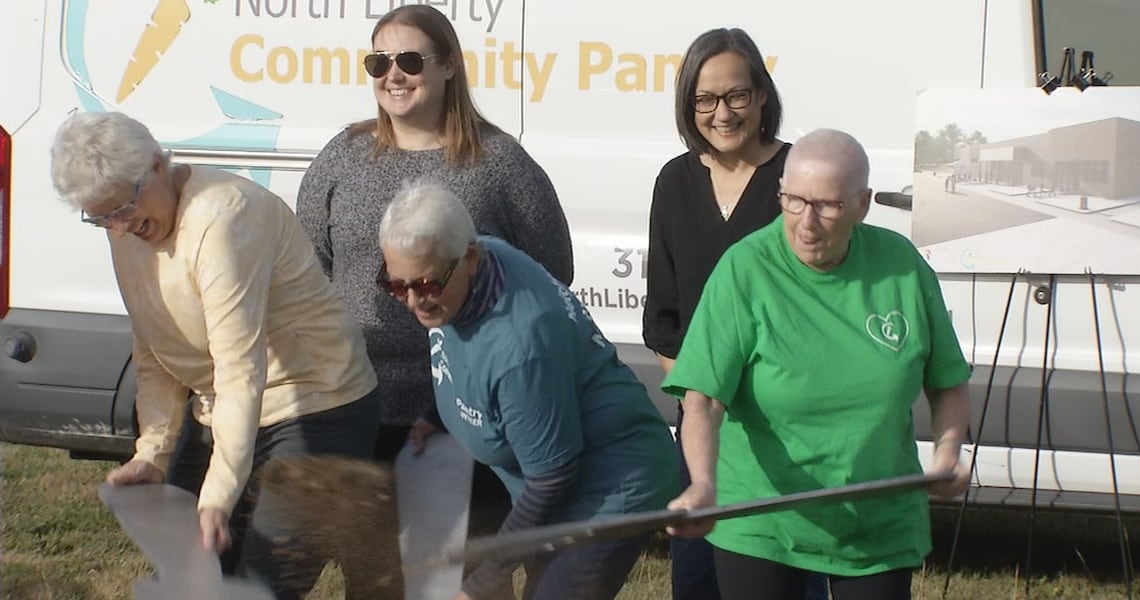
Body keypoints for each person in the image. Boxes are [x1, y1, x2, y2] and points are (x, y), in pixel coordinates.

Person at [49, 111, 383, 599]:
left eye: (122, 209)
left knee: (262, 584)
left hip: (316, 404)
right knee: (190, 577)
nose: (118, 230)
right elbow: (152, 349)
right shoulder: (127, 226)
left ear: (158, 166)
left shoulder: (222, 218)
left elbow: (240, 369)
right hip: (225, 409)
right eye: (101, 218)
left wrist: (220, 493)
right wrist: (154, 452)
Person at [663, 129, 972, 600]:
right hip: (762, 518)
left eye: (827, 206)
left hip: (878, 520)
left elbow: (947, 380)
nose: (806, 223)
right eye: (793, 201)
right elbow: (703, 397)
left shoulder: (901, 268)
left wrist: (948, 452)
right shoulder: (745, 269)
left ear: (862, 204)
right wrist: (704, 483)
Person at [296, 4, 573, 463]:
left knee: (451, 536)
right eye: (378, 63)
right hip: (352, 398)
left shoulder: (501, 164)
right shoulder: (342, 156)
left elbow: (551, 273)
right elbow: (311, 266)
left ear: (448, 65)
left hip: (465, 405)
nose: (393, 75)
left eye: (409, 61)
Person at [379, 181, 678, 600]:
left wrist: (485, 580)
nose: (413, 302)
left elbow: (553, 478)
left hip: (608, 483)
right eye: (396, 285)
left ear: (469, 259)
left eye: (426, 285)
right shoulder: (469, 263)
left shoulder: (521, 346)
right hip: (551, 472)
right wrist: (436, 414)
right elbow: (461, 354)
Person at [641, 27, 828, 600]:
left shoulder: (798, 177)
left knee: (781, 581)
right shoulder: (675, 181)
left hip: (785, 428)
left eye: (736, 96)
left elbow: (824, 303)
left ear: (762, 95)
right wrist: (702, 400)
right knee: (697, 580)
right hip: (702, 426)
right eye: (705, 99)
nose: (721, 113)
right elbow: (664, 316)